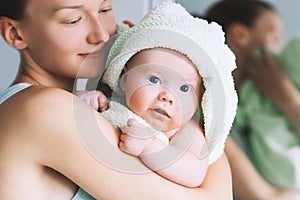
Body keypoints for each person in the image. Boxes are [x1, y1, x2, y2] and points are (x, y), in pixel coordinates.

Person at [0, 0, 233, 199]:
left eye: (104, 10)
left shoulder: (94, 106)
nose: (101, 34)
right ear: (14, 33)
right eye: (73, 20)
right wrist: (200, 128)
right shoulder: (46, 110)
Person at [78, 2, 238, 188]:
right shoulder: (110, 101)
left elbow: (194, 173)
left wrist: (150, 146)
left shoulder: (185, 130)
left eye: (185, 89)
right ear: (124, 78)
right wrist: (86, 101)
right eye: (154, 80)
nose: (168, 97)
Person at [204, 0, 300, 199]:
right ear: (241, 35)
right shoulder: (210, 110)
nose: (279, 51)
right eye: (274, 38)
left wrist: (288, 99)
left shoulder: (265, 102)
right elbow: (264, 197)